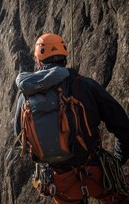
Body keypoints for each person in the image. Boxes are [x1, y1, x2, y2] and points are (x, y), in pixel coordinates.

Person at [13, 33, 129, 204]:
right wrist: (118, 160)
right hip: (97, 172)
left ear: (39, 62)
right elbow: (123, 127)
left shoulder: (26, 98)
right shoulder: (85, 85)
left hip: (60, 181)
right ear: (65, 58)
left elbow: (21, 139)